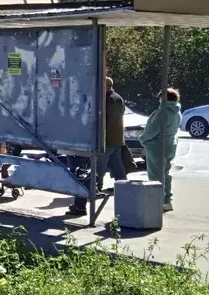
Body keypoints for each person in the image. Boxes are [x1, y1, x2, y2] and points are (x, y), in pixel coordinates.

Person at [68, 77, 129, 216]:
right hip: (117, 137)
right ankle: (124, 187)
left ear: (106, 85)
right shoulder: (119, 98)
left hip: (106, 139)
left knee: (98, 167)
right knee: (117, 165)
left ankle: (95, 188)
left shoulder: (106, 99)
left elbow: (101, 118)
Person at [140, 88, 182, 212]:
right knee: (165, 173)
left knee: (155, 175)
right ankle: (167, 201)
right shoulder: (177, 112)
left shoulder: (162, 112)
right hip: (170, 145)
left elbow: (152, 129)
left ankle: (157, 201)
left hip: (157, 146)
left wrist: (143, 140)